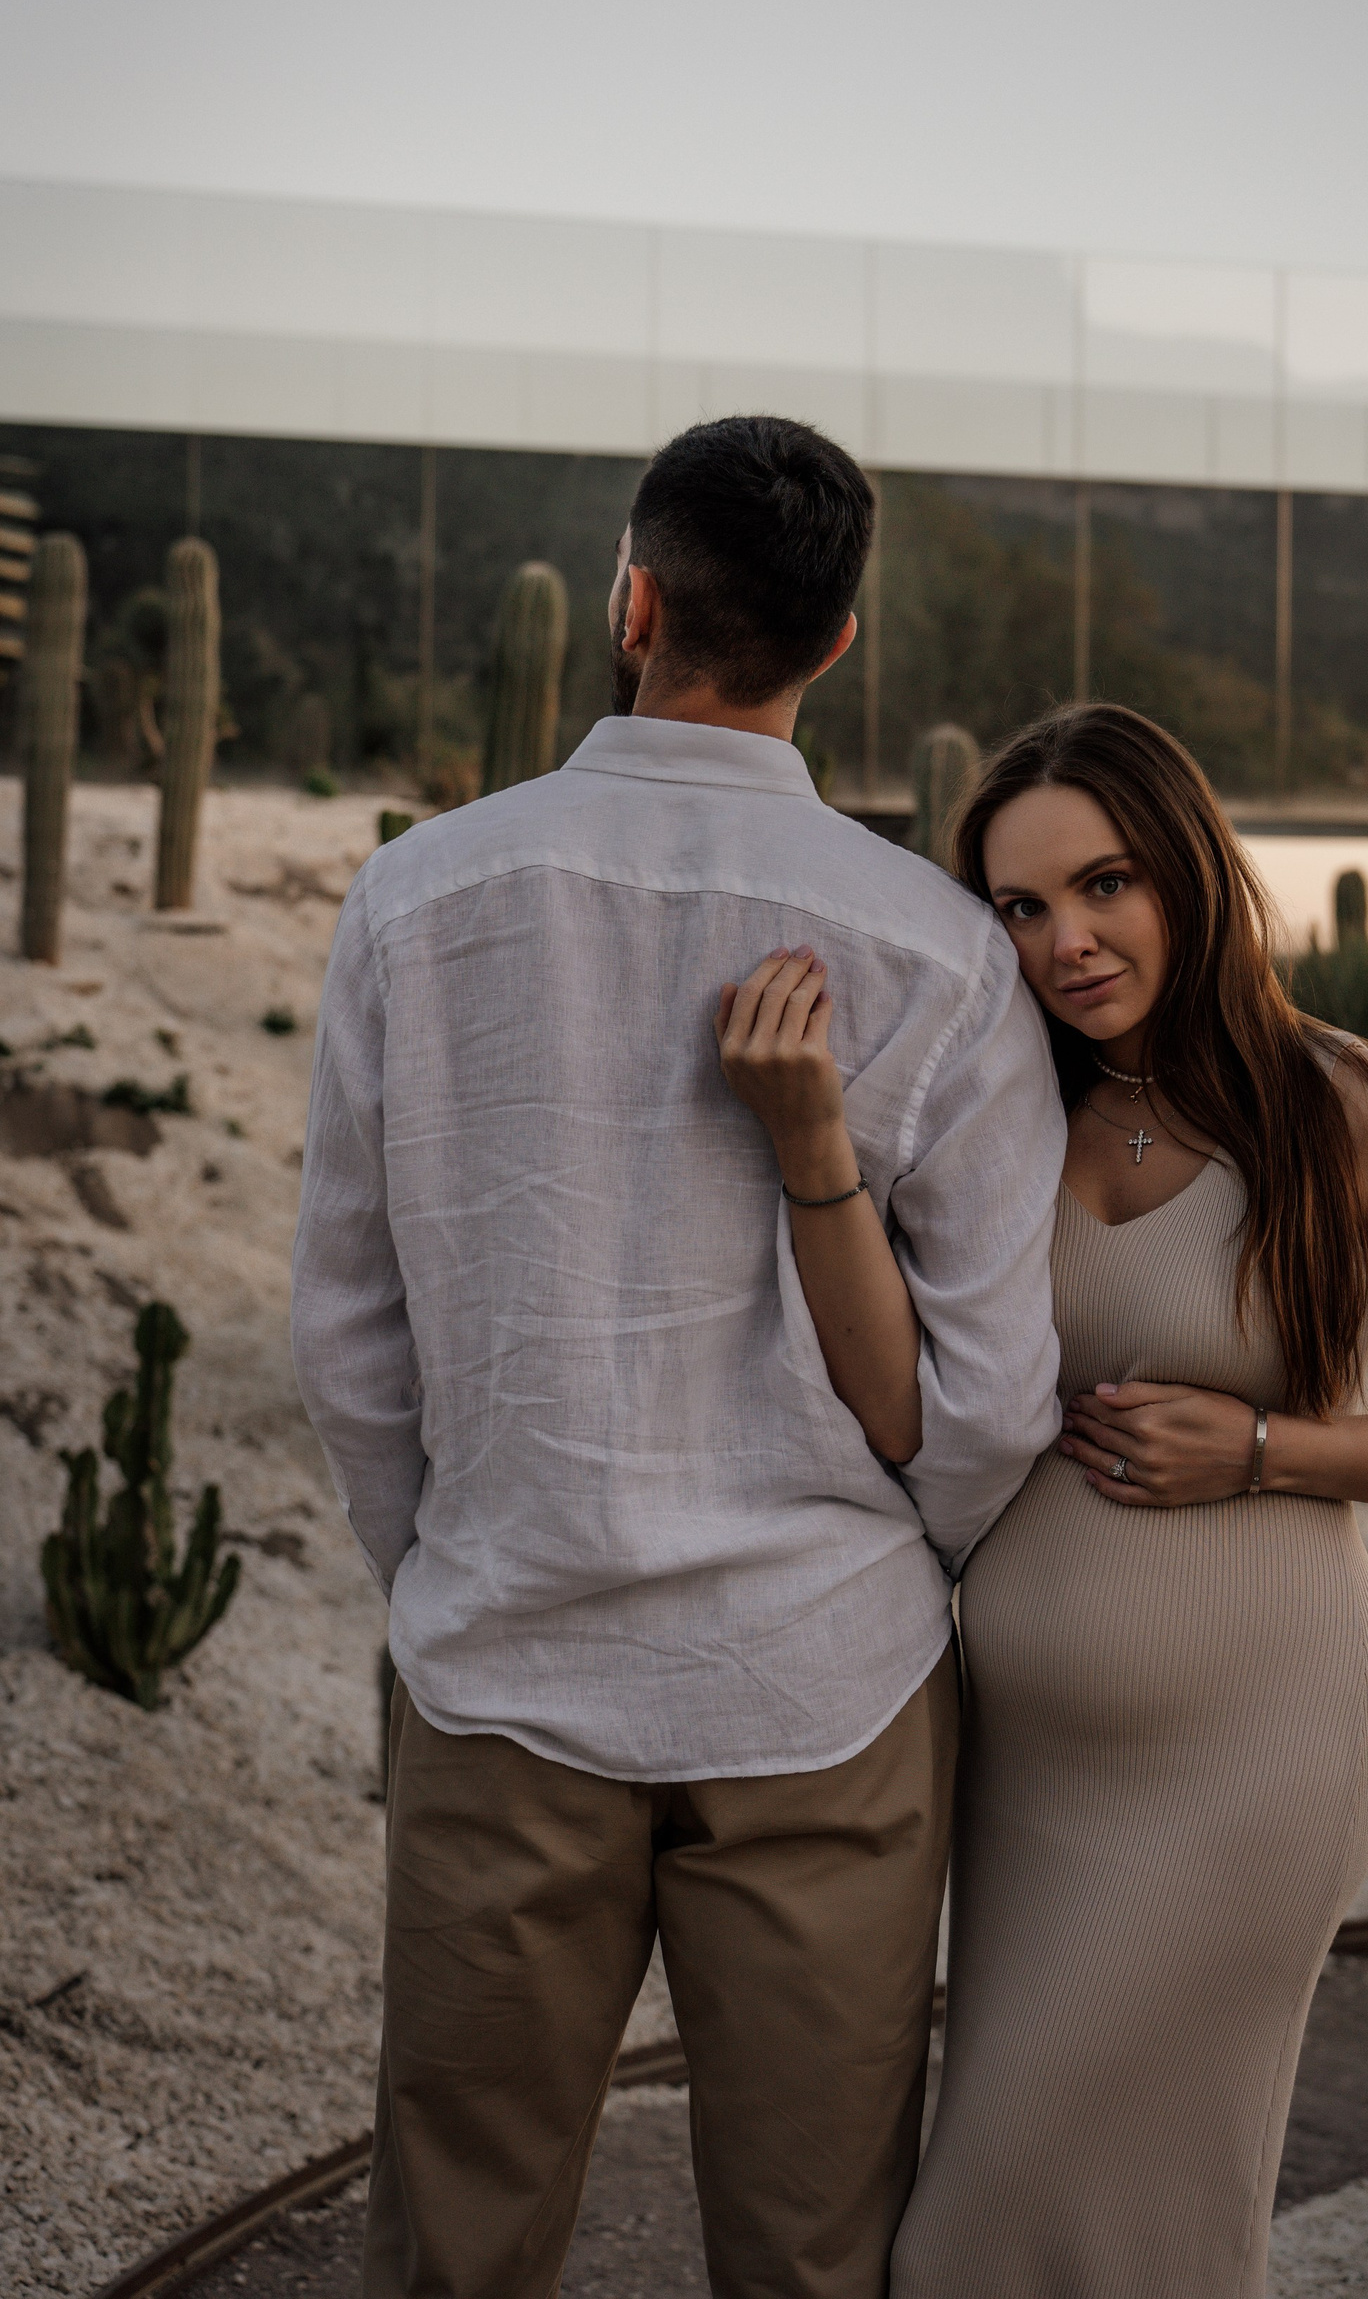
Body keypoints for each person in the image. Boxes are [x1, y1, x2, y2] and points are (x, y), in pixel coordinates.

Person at [289, 415, 1063, 2299]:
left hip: (504, 1665)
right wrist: (889, 1567)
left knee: (455, 2242)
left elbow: (351, 1332)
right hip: (826, 1689)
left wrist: (449, 1566)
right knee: (814, 2255)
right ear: (838, 644)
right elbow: (987, 1412)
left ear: (631, 606)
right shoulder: (945, 954)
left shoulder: (417, 898)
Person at [740, 698, 1368, 2299]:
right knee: (1104, 2232)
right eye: (1022, 906)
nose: (1068, 943)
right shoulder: (998, 1115)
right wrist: (811, 1142)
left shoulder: (1352, 1110)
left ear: (1187, 867)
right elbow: (896, 1399)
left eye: (1104, 884)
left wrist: (1265, 1449)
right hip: (1026, 1768)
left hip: (1253, 1757)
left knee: (986, 2236)